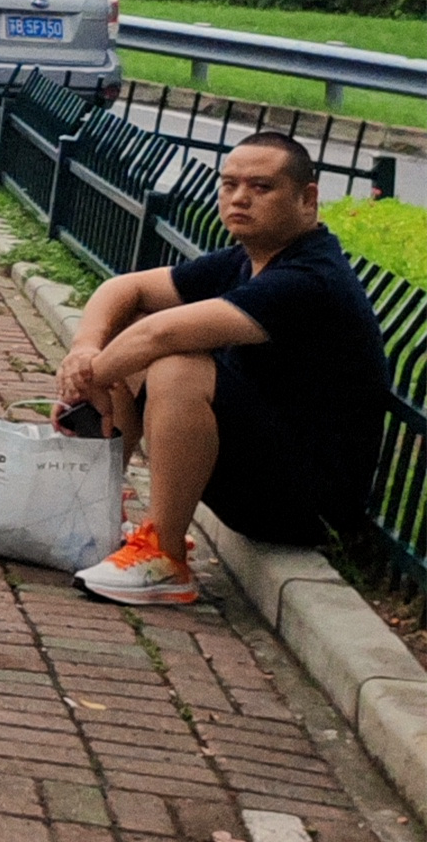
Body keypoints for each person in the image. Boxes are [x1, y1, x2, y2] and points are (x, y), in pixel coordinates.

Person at [56, 130, 389, 606]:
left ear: (307, 197)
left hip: (307, 505)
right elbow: (125, 289)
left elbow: (163, 336)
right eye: (229, 184)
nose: (239, 198)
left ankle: (165, 559)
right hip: (261, 464)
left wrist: (86, 382)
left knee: (173, 365)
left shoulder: (310, 278)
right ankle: (98, 516)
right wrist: (87, 350)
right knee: (130, 325)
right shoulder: (247, 259)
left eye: (261, 187)